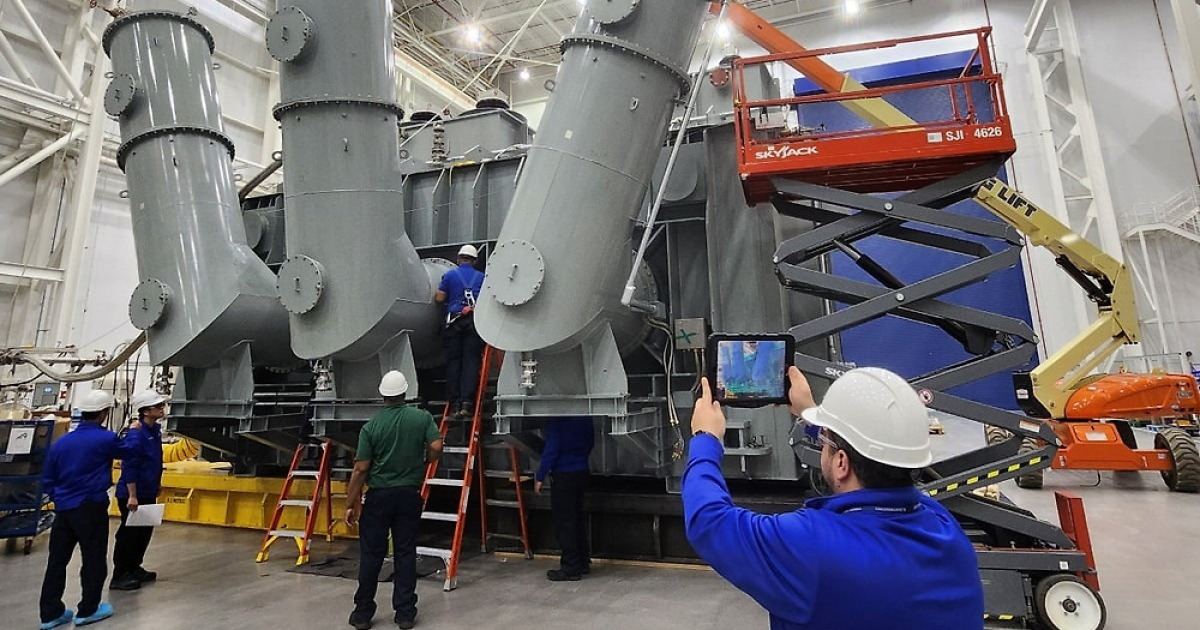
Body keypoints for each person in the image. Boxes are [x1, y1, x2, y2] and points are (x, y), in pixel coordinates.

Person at [684, 366, 984, 630]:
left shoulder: (810, 547)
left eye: (827, 442)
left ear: (842, 463)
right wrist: (811, 416)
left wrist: (705, 439)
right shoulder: (946, 530)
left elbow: (709, 522)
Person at [345, 370, 443, 630]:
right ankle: (405, 613)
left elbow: (361, 468)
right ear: (404, 392)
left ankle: (363, 612)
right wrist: (424, 461)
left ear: (382, 394)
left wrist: (350, 502)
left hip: (379, 497)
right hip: (409, 495)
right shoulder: (420, 418)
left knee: (372, 555)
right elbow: (436, 447)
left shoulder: (372, 426)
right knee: (405, 552)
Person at [38, 390, 134, 629]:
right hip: (90, 507)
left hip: (64, 509)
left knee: (57, 561)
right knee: (93, 559)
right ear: (104, 413)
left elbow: (47, 479)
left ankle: (50, 614)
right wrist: (137, 431)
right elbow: (131, 452)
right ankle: (88, 609)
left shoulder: (62, 442)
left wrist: (60, 498)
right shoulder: (106, 438)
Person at [110, 389, 167, 591]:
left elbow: (153, 461)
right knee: (129, 534)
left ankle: (134, 567)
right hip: (133, 494)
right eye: (157, 406)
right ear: (144, 411)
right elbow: (130, 465)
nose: (162, 408)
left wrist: (156, 483)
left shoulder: (154, 431)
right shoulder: (136, 434)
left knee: (143, 532)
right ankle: (120, 575)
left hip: (148, 490)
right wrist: (132, 495)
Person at [534, 416, 595, 582]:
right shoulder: (585, 417)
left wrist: (540, 475)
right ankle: (582, 562)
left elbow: (552, 448)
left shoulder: (558, 420)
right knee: (577, 519)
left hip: (563, 474)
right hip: (581, 470)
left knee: (564, 522)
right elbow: (591, 441)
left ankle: (570, 567)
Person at [435, 244, 485, 419]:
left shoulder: (450, 275)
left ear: (458, 259)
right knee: (471, 362)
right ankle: (467, 402)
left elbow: (439, 298)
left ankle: (455, 402)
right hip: (474, 324)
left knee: (454, 362)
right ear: (474, 261)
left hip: (454, 323)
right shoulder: (481, 277)